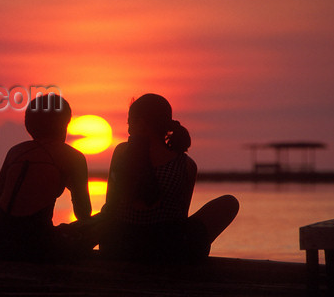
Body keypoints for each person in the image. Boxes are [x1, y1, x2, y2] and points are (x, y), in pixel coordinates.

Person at [99, 93, 239, 264]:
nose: (128, 130)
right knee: (229, 203)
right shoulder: (186, 165)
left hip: (121, 247)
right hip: (166, 251)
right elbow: (179, 217)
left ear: (141, 124)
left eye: (130, 123)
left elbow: (110, 207)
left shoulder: (121, 152)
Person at [0, 94, 92, 261]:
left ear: (28, 125)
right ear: (65, 124)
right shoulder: (73, 157)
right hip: (38, 244)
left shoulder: (15, 151)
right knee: (99, 223)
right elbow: (83, 213)